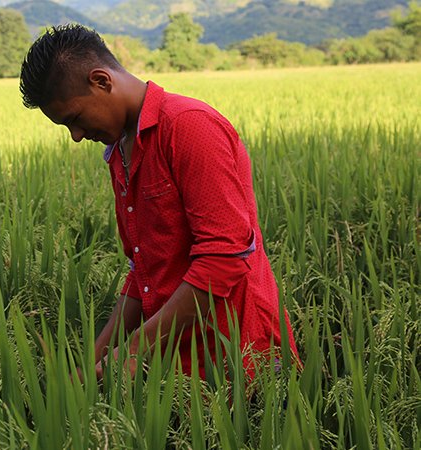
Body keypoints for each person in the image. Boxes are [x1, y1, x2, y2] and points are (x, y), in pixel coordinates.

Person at [19, 25, 298, 379]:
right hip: (175, 360)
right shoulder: (120, 149)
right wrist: (89, 367)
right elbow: (144, 271)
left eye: (74, 119)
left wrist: (133, 350)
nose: (75, 137)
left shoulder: (189, 127)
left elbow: (223, 258)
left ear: (102, 81)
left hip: (240, 359)